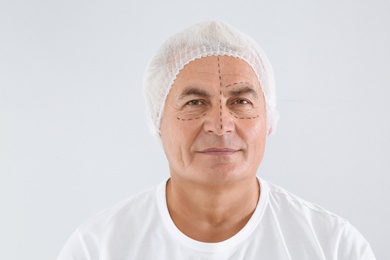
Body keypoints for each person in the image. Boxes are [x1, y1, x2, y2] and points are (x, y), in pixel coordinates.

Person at [58, 20, 376, 259]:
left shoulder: (333, 246)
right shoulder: (97, 248)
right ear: (157, 119)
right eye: (195, 103)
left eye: (241, 102)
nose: (221, 125)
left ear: (269, 118)